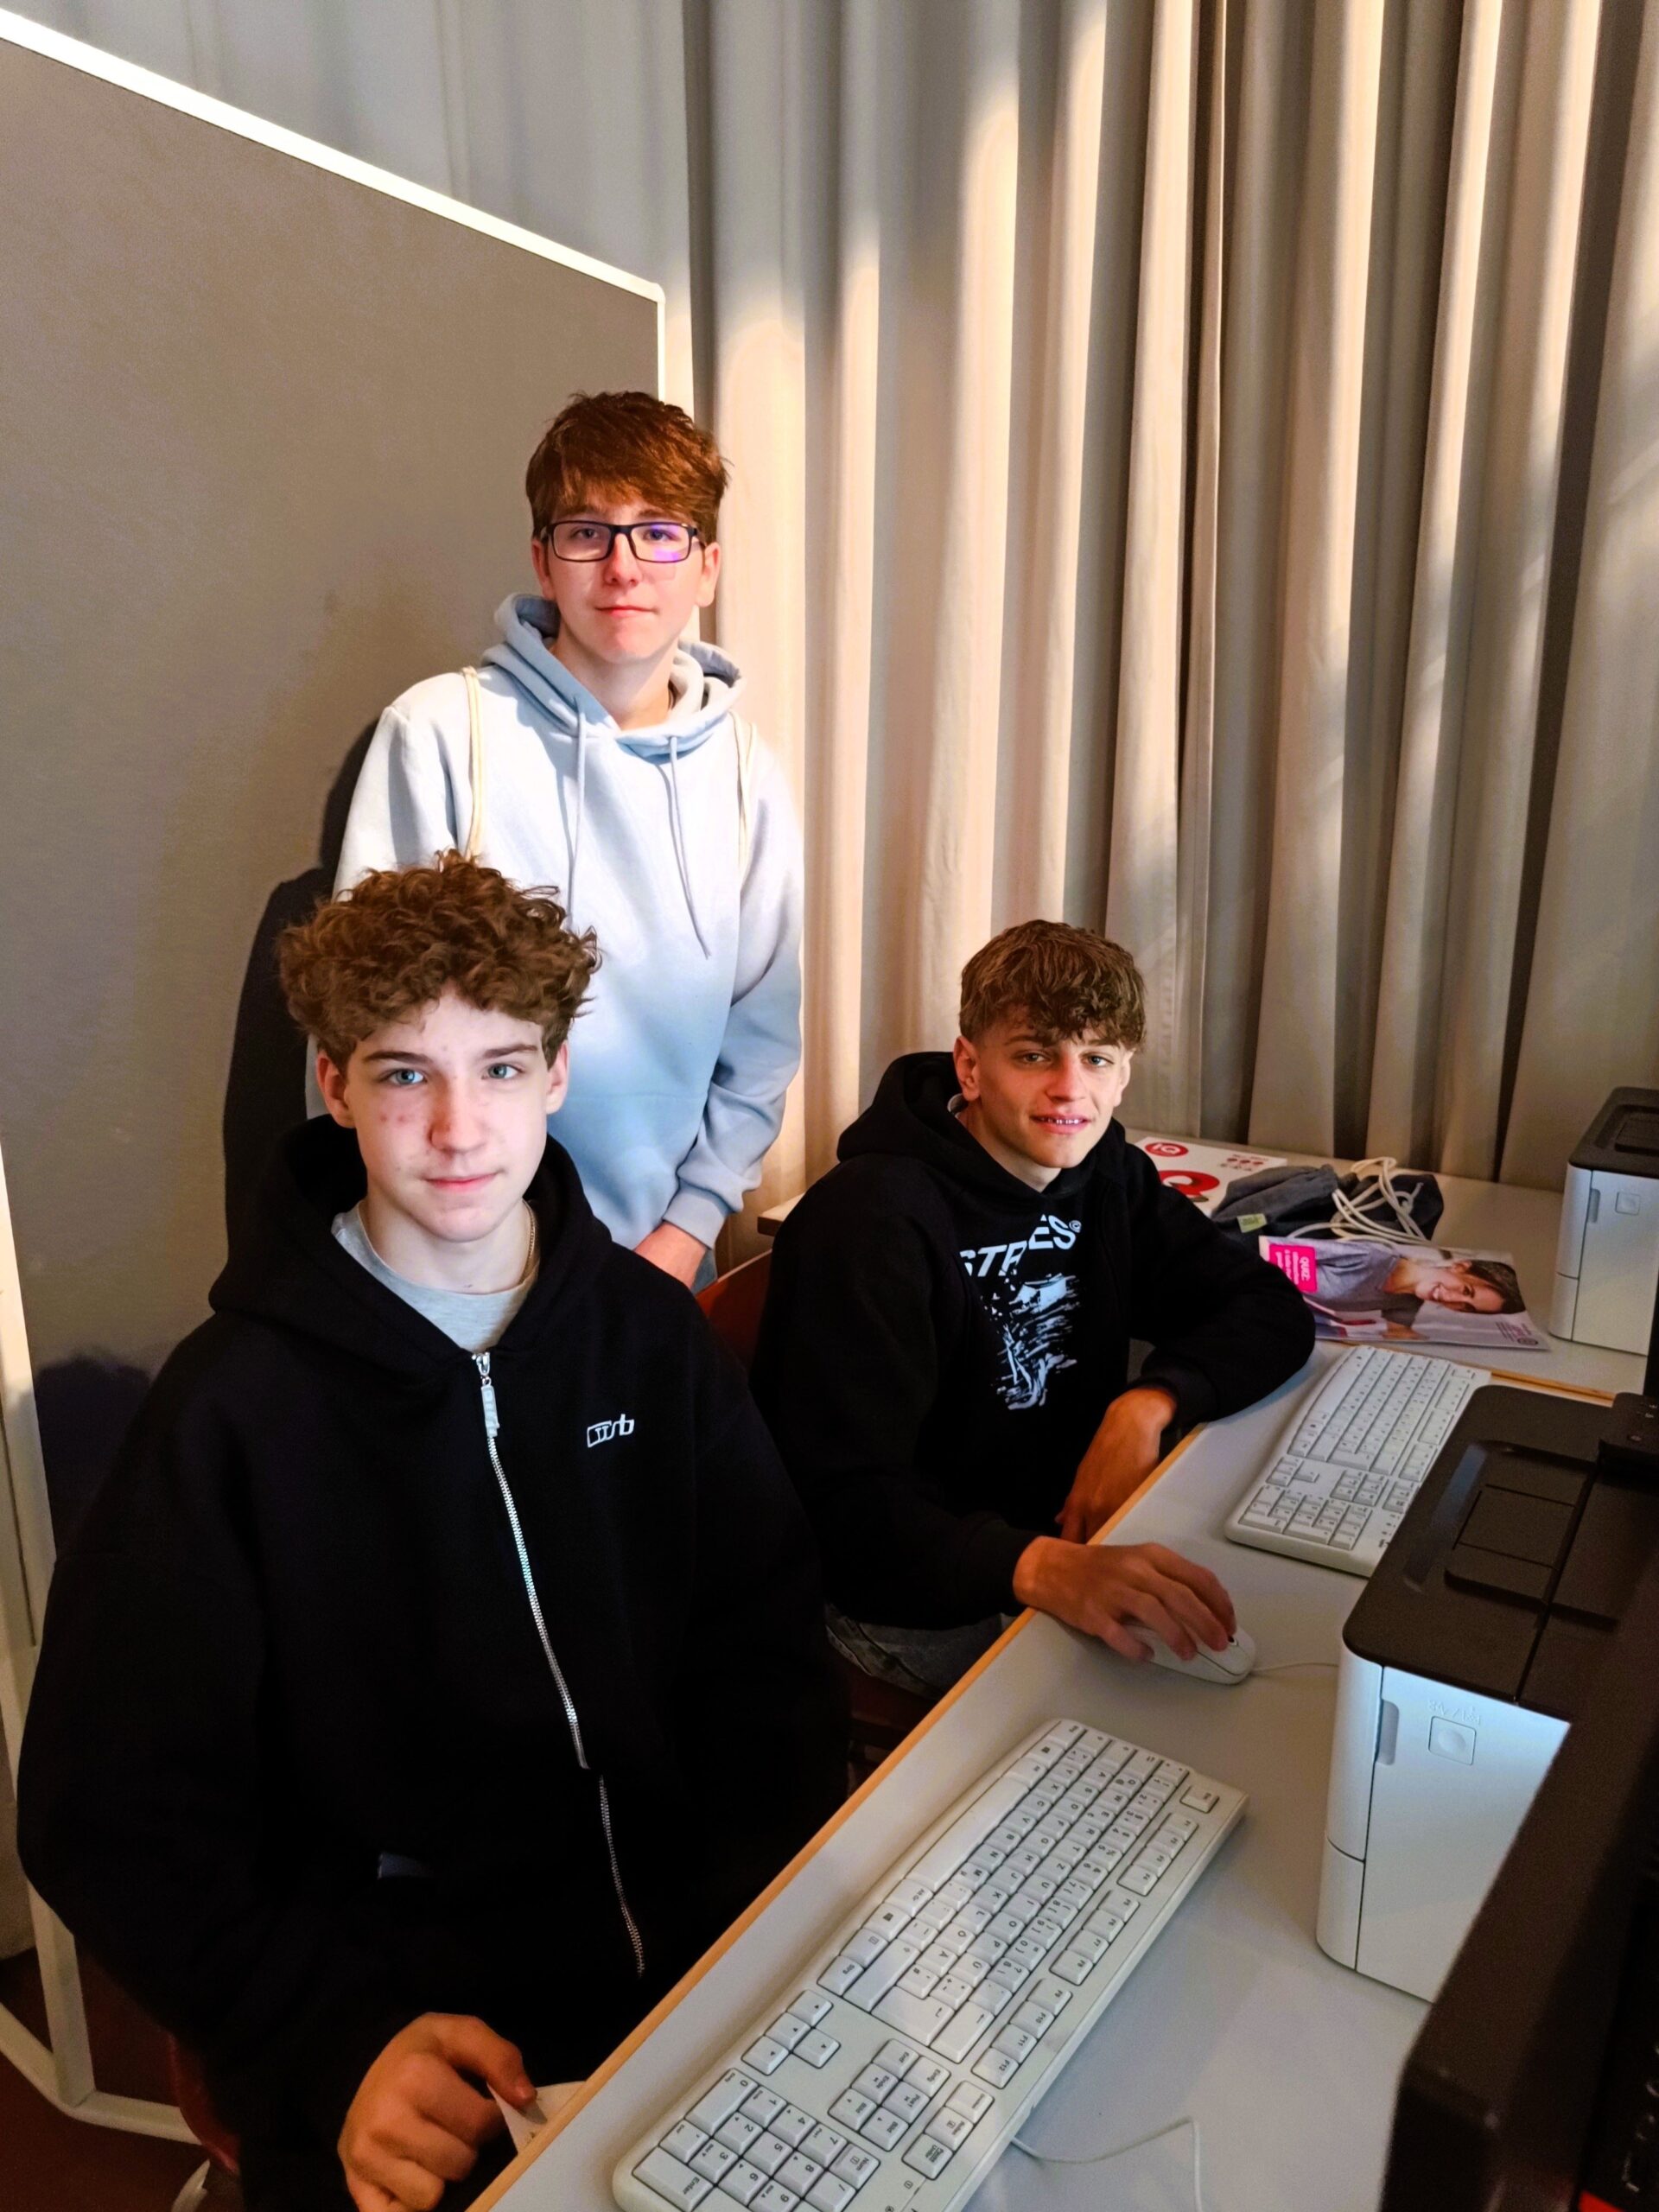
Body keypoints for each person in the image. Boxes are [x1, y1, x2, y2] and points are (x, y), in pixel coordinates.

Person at [19, 855, 842, 2212]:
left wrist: (774, 1914)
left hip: (703, 1974)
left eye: (501, 1069)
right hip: (400, 2037)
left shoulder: (646, 1340)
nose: (460, 1129)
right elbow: (104, 1813)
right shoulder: (231, 1413)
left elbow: (764, 1653)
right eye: (406, 1074)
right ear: (335, 1086)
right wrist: (331, 2043)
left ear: (557, 1075)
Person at [752, 920, 1315, 1696]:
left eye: (1097, 1059)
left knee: (1267, 1638)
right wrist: (1043, 1569)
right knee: (1170, 1705)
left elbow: (1266, 1305)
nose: (1069, 1089)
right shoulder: (869, 1221)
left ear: (1124, 1076)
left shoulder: (1105, 1172)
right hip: (897, 1591)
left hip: (1051, 1540)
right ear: (970, 1066)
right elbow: (843, 1505)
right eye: (1033, 1055)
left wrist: (1149, 1403)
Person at [331, 390, 801, 1289]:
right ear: (543, 563)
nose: (624, 568)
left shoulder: (748, 773)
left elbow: (761, 1038)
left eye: (658, 533)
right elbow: (375, 1017)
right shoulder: (441, 732)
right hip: (462, 1259)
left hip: (664, 1263)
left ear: (706, 568)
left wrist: (684, 1237)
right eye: (589, 533)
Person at [1302, 1242, 1524, 1338]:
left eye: (1467, 1307)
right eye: (1466, 1291)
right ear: (1460, 1267)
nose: (1451, 1300)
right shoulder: (1373, 1257)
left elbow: (1398, 1334)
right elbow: (1282, 1249)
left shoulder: (1407, 1303)